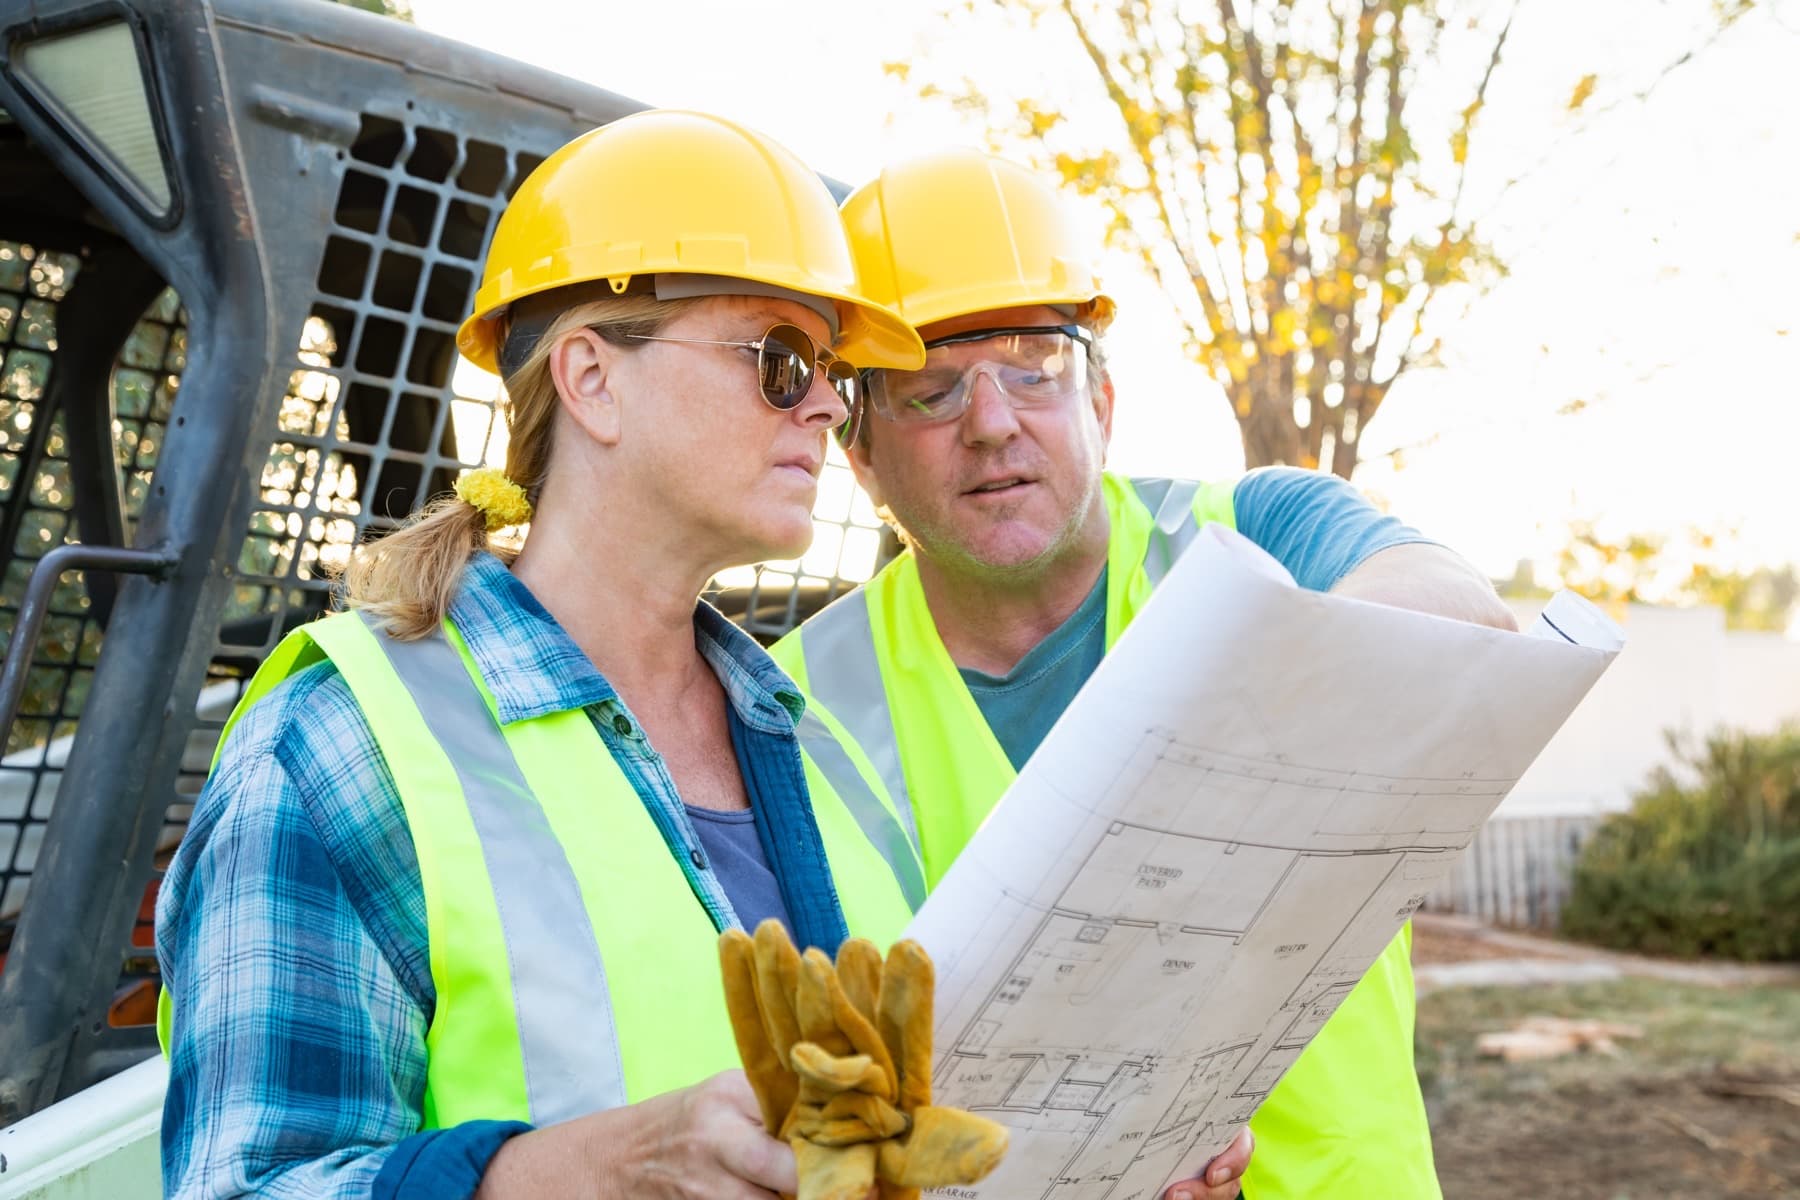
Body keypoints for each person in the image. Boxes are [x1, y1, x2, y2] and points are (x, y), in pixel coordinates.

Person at [154, 109, 926, 1200]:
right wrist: (603, 1171)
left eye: (833, 372)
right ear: (592, 380)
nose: (826, 406)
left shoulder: (828, 753)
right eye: (783, 358)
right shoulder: (337, 753)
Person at [771, 148, 1519, 1200]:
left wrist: (1228, 739)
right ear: (860, 450)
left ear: (1104, 401)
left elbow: (1463, 618)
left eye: (1036, 367)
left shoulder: (1255, 527)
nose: (993, 422)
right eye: (933, 390)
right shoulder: (791, 703)